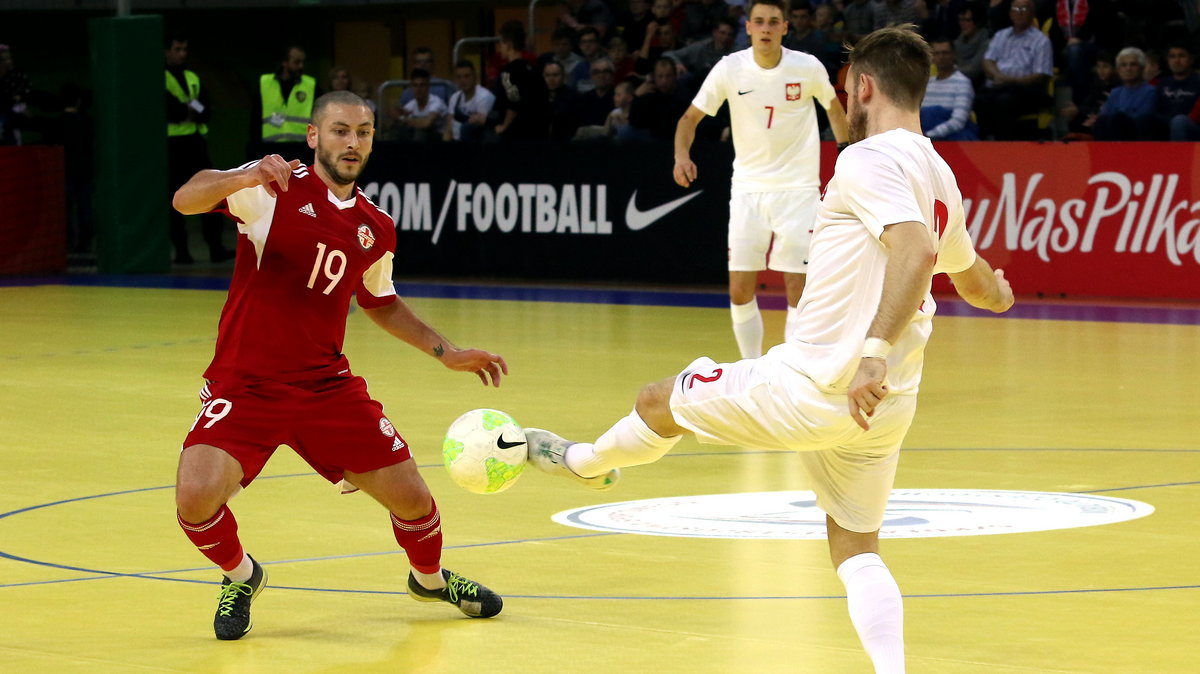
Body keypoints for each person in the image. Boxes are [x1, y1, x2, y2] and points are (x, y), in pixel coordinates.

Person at [524, 27, 1014, 674]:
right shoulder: (936, 172)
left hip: (817, 385)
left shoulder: (866, 160)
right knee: (856, 546)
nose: (844, 104)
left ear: (864, 86)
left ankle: (585, 461)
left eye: (845, 92)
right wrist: (999, 295)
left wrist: (871, 349)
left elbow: (917, 251)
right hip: (883, 408)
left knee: (656, 400)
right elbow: (969, 275)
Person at [170, 90, 506, 640]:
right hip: (246, 383)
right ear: (313, 136)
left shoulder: (375, 226)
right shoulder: (272, 187)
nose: (352, 142)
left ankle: (429, 579)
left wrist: (449, 354)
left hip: (326, 387)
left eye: (364, 132)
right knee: (195, 499)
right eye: (340, 130)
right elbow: (186, 198)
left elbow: (381, 302)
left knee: (414, 499)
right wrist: (244, 176)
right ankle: (241, 574)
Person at [673, 0, 849, 359]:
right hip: (748, 191)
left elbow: (833, 107)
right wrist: (681, 156)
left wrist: (846, 153)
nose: (766, 28)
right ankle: (751, 368)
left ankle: (794, 369)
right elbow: (689, 119)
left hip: (798, 191)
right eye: (759, 22)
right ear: (748, 27)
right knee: (739, 289)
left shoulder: (807, 67)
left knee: (798, 291)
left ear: (785, 27)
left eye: (773, 22)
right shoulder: (729, 69)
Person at [165, 35, 231, 264]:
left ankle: (216, 247)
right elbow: (170, 110)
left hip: (196, 144)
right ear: (167, 51)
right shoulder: (161, 78)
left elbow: (205, 112)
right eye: (177, 48)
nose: (182, 53)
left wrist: (185, 111)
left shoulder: (193, 77)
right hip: (173, 146)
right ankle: (182, 252)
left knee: (211, 193)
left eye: (184, 49)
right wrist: (184, 111)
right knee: (177, 199)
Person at [975, 0, 1053, 139]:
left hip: (1025, 89)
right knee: (979, 100)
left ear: (1032, 14)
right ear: (1010, 14)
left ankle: (1004, 145)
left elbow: (1041, 75)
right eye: (1016, 9)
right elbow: (988, 61)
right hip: (999, 85)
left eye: (1024, 9)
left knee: (1004, 101)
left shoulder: (1041, 40)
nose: (1019, 13)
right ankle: (985, 144)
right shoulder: (1001, 35)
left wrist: (1011, 80)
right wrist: (998, 76)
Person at [493, 20, 550, 141]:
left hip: (518, 133)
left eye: (501, 43)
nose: (500, 48)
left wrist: (504, 126)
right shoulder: (533, 69)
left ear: (508, 44)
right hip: (539, 132)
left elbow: (514, 102)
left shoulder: (507, 72)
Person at [1092, 46, 1156, 140]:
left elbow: (1142, 121)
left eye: (1133, 64)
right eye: (1123, 65)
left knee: (1117, 118)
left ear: (1142, 68)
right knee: (1101, 121)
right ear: (1118, 70)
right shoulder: (1115, 93)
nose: (1128, 68)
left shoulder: (1151, 92)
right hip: (1113, 138)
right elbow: (1104, 117)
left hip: (1136, 138)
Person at [920, 39, 977, 139]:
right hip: (924, 137)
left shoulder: (962, 82)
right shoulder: (927, 83)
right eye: (936, 53)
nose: (941, 57)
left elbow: (958, 121)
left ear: (953, 55)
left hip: (950, 139)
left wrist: (929, 136)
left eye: (945, 53)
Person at [258, 45, 316, 143]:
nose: (301, 66)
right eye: (297, 62)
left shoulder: (310, 84)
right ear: (284, 63)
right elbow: (256, 118)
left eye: (303, 62)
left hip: (302, 147)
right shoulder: (265, 83)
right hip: (270, 147)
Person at [443, 60, 496, 142]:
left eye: (466, 76)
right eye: (459, 77)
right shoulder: (455, 97)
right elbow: (449, 126)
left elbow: (478, 125)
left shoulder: (484, 96)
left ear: (475, 76)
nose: (462, 80)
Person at [391, 68, 447, 142]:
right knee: (398, 129)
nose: (418, 89)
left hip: (440, 138)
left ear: (428, 86)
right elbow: (396, 115)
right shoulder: (412, 104)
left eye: (422, 85)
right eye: (415, 85)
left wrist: (402, 118)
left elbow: (426, 123)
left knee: (421, 131)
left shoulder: (436, 102)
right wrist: (397, 112)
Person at [953, 6, 989, 87]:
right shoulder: (957, 42)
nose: (962, 24)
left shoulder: (986, 43)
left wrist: (948, 71)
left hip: (976, 85)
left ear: (978, 22)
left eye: (967, 20)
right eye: (961, 20)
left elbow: (973, 71)